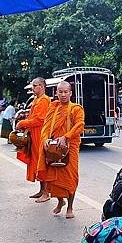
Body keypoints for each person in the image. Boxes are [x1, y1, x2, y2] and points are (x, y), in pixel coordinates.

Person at [37, 81, 85, 218]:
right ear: (56, 93)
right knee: (54, 178)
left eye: (66, 92)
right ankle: (60, 202)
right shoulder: (53, 107)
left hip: (70, 147)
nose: (63, 95)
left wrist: (66, 136)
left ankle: (70, 207)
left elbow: (80, 125)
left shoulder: (76, 108)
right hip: (53, 148)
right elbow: (46, 126)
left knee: (70, 178)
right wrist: (45, 139)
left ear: (70, 93)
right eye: (60, 92)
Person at [16, 77, 51, 198]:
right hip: (34, 135)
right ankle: (42, 190)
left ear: (42, 86)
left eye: (35, 86)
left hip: (40, 135)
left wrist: (23, 123)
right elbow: (33, 117)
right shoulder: (37, 99)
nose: (33, 88)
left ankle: (46, 193)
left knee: (42, 163)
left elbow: (39, 120)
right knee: (37, 163)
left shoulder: (44, 100)